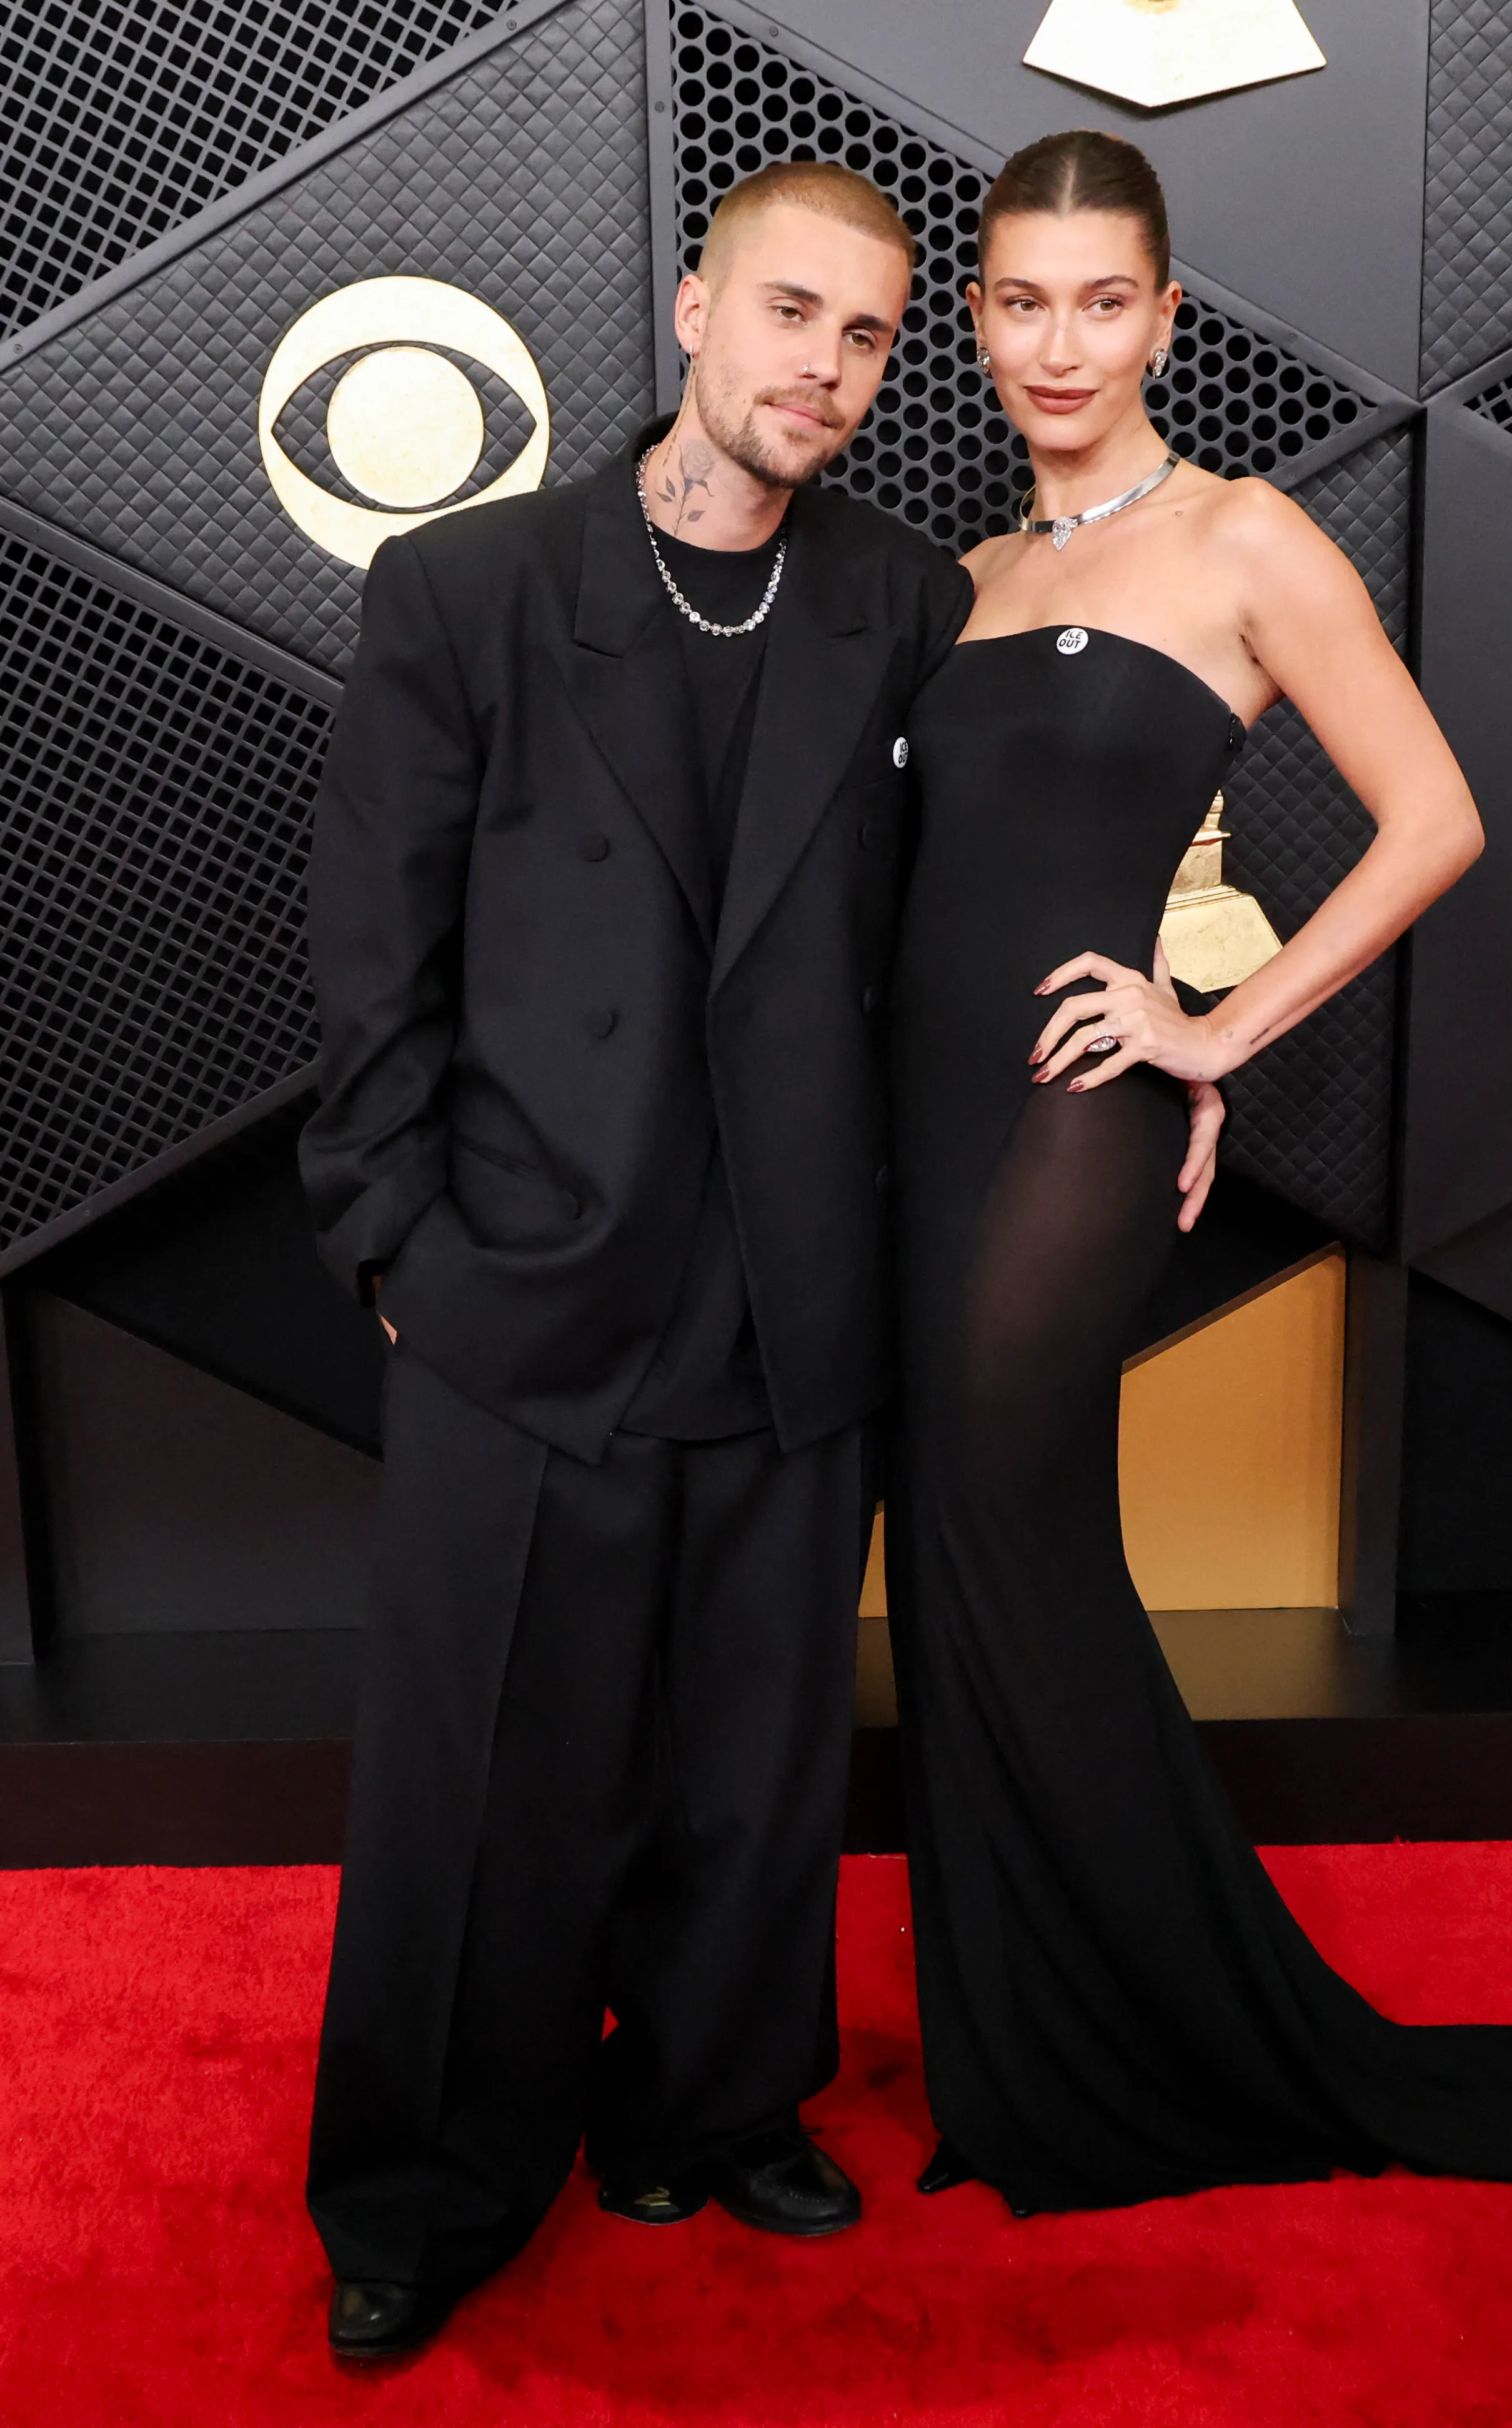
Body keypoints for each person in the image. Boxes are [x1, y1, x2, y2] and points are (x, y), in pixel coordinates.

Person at [887, 129, 1512, 2217]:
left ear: (1167, 314)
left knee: (1002, 1532)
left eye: (1101, 301)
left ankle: (1176, 2043)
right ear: (975, 320)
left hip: (1075, 1112)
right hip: (918, 1121)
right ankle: (1031, 2044)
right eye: (1021, 301)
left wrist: (1215, 1032)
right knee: (953, 1562)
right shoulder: (959, 579)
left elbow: (1435, 815)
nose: (1061, 341)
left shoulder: (1242, 540)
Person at [298, 160, 1003, 2360]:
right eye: (791, 308)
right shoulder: (473, 589)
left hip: (799, 1296)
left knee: (759, 1753)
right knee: (485, 1771)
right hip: (526, 1285)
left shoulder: (899, 600)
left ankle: (705, 2097)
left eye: (873, 334)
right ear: (694, 303)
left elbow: (969, 930)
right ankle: (423, 2182)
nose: (826, 362)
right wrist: (399, 1238)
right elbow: (371, 956)